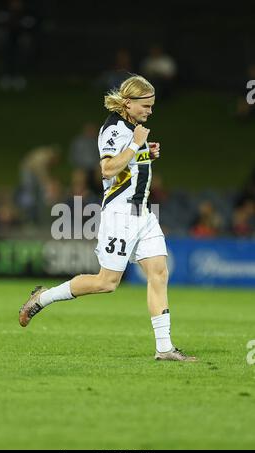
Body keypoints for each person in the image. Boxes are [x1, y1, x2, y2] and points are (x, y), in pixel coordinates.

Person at [19, 75, 197, 362]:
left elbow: (128, 166)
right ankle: (43, 298)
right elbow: (107, 169)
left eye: (152, 106)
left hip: (144, 213)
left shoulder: (132, 129)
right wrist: (136, 145)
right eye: (146, 106)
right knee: (107, 283)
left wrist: (144, 153)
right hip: (121, 214)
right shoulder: (114, 128)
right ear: (128, 103)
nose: (150, 111)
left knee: (158, 273)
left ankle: (164, 348)